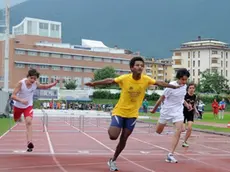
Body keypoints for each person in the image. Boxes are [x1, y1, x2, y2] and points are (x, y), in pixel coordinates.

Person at [85, 56, 180, 171]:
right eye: (137, 65)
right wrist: (94, 83)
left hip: (132, 115)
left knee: (124, 138)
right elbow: (110, 80)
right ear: (131, 68)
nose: (140, 67)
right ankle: (115, 125)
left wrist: (173, 86)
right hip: (119, 111)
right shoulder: (125, 78)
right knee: (113, 136)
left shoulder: (146, 79)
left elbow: (159, 83)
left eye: (142, 66)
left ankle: (113, 160)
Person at [11, 69, 58, 152]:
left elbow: (44, 87)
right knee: (17, 120)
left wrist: (54, 84)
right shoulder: (21, 83)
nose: (33, 80)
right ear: (28, 77)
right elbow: (13, 96)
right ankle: (18, 118)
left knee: (29, 122)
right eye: (31, 78)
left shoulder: (35, 84)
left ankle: (29, 142)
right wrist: (21, 100)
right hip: (18, 105)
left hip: (28, 106)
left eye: (35, 79)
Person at [151, 68, 191, 163]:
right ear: (179, 78)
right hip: (166, 111)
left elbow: (181, 98)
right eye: (183, 80)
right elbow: (162, 98)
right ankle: (161, 125)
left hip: (178, 111)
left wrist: (186, 104)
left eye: (186, 80)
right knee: (158, 131)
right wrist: (154, 108)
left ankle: (170, 154)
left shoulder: (184, 87)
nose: (184, 82)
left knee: (179, 130)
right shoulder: (171, 86)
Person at [182, 83, 199, 148]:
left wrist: (196, 111)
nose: (192, 89)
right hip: (183, 113)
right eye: (190, 88)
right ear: (188, 89)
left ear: (194, 89)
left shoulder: (194, 96)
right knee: (183, 129)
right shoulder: (184, 95)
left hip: (190, 113)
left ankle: (185, 141)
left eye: (193, 88)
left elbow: (194, 104)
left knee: (190, 128)